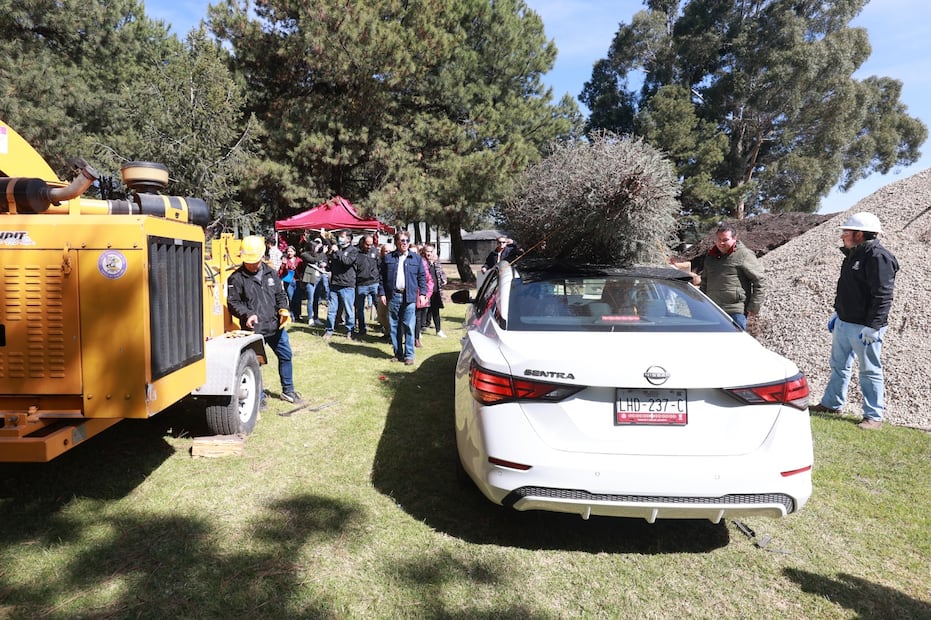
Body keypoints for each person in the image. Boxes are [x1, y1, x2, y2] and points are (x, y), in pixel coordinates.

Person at [810, 212, 898, 430]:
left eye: (846, 231)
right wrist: (837, 313)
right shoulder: (852, 255)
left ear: (859, 234)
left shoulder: (878, 257)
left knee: (869, 371)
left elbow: (883, 295)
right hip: (844, 321)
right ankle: (832, 404)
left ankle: (873, 416)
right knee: (839, 366)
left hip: (864, 328)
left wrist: (874, 326)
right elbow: (848, 289)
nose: (842, 236)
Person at [227, 235, 302, 404]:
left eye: (255, 260)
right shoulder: (236, 278)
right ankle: (258, 398)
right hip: (254, 330)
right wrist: (247, 314)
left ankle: (288, 391)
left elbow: (280, 294)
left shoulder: (271, 273)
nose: (252, 264)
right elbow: (233, 303)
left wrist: (284, 309)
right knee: (255, 364)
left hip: (276, 326)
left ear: (262, 255)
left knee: (286, 356)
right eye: (249, 261)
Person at [700, 223, 765, 330]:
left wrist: (754, 306)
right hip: (712, 310)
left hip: (735, 311)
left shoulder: (744, 254)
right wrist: (702, 305)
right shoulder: (711, 257)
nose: (721, 243)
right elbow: (704, 282)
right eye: (718, 239)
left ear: (734, 238)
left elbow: (759, 281)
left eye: (725, 240)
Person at [378, 231, 428, 365]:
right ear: (396, 242)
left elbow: (422, 277)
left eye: (406, 240)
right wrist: (382, 293)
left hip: (409, 297)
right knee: (394, 326)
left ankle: (409, 355)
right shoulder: (388, 258)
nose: (404, 242)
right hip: (393, 296)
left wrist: (423, 294)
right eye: (402, 240)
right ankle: (398, 353)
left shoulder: (416, 259)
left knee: (409, 326)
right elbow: (381, 278)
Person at [324, 229, 358, 341]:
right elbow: (333, 265)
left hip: (347, 285)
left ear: (348, 238)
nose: (340, 238)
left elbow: (347, 262)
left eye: (342, 236)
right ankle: (329, 330)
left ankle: (350, 331)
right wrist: (326, 264)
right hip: (334, 284)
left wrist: (337, 251)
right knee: (332, 309)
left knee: (348, 310)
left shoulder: (353, 250)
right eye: (339, 236)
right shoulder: (336, 249)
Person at [353, 234, 380, 337]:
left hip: (374, 282)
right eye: (367, 245)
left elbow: (379, 265)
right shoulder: (356, 252)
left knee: (379, 307)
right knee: (360, 308)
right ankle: (361, 329)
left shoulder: (374, 251)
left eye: (371, 245)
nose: (369, 247)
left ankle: (384, 327)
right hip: (361, 284)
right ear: (362, 243)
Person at [421, 243, 448, 337]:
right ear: (424, 252)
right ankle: (419, 330)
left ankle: (438, 330)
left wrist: (444, 279)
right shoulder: (422, 262)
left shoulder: (436, 262)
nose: (429, 253)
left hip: (436, 291)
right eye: (427, 251)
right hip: (426, 291)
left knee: (436, 311)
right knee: (423, 311)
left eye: (431, 251)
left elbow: (441, 272)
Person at [413, 246, 435, 348]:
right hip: (405, 294)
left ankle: (416, 339)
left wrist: (426, 295)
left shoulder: (422, 263)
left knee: (418, 319)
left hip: (418, 295)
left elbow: (429, 281)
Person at [279, 245, 303, 321]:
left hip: (297, 281)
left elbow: (302, 269)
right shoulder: (285, 260)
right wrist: (283, 264)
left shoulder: (299, 260)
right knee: (291, 298)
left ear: (294, 252)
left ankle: (298, 315)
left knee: (298, 298)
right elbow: (281, 272)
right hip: (289, 281)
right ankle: (292, 315)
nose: (289, 253)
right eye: (288, 251)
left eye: (291, 251)